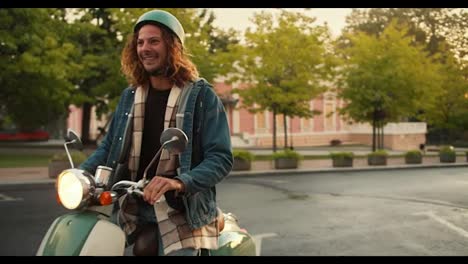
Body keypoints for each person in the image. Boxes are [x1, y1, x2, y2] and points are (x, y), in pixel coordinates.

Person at [79, 9, 233, 256]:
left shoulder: (202, 97)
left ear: (172, 47)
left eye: (154, 41)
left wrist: (179, 182)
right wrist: (79, 175)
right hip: (133, 204)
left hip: (182, 210)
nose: (145, 48)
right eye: (140, 42)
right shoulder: (130, 96)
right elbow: (109, 148)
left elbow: (221, 158)